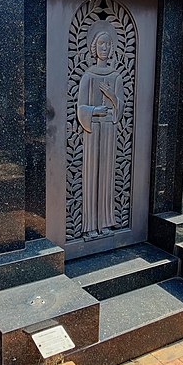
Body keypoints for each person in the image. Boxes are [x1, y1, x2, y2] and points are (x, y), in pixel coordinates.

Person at [77, 25, 124, 239]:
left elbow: (121, 108)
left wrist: (112, 97)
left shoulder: (116, 76)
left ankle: (105, 222)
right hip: (92, 130)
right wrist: (95, 110)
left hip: (109, 130)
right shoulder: (88, 76)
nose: (104, 48)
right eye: (100, 44)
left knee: (106, 175)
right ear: (93, 48)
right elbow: (80, 108)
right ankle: (88, 225)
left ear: (112, 48)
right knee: (91, 174)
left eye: (107, 44)